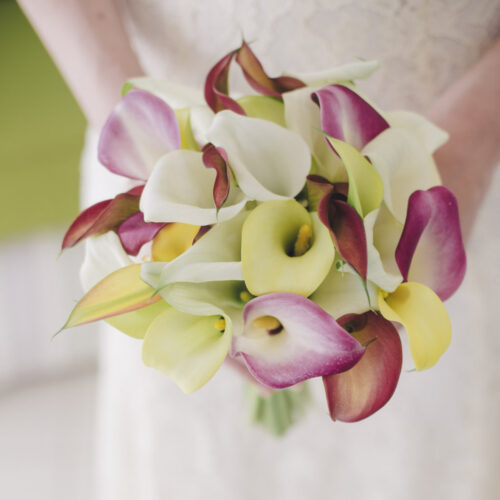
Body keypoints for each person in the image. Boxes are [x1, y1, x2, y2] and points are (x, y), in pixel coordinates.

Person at [19, 1, 500, 499]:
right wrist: (136, 128)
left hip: (449, 168)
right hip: (163, 155)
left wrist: (475, 138)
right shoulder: (162, 176)